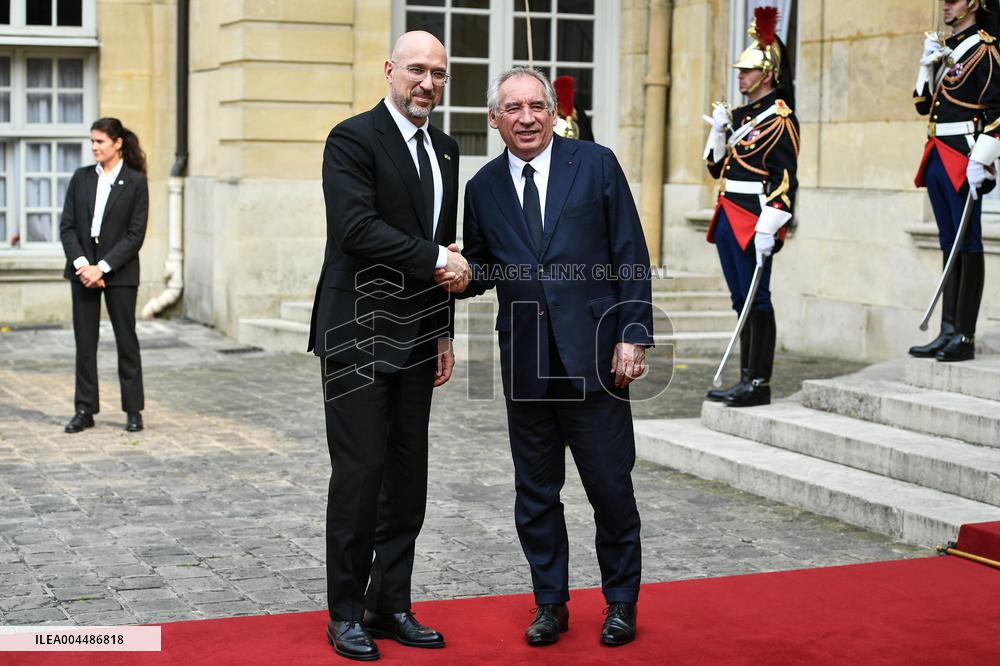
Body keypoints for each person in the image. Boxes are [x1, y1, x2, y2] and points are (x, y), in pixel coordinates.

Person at [457, 66, 653, 647]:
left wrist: (633, 334)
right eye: (512, 108)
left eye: (535, 106)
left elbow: (630, 254)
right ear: (495, 120)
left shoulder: (595, 164)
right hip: (527, 369)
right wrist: (458, 271)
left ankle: (620, 602)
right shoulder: (483, 187)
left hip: (596, 361)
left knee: (611, 491)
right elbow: (486, 267)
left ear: (551, 112)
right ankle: (550, 603)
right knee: (536, 496)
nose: (526, 117)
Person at [306, 30, 469, 661]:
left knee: (408, 480)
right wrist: (435, 260)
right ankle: (345, 611)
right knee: (360, 474)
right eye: (417, 70)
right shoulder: (352, 138)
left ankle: (389, 602)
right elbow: (355, 229)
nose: (427, 83)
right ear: (390, 70)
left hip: (418, 334)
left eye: (439, 74)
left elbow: (444, 245)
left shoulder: (449, 150)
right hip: (355, 330)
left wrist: (444, 330)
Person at [702, 6, 799, 408]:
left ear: (767, 75)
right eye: (740, 71)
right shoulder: (740, 115)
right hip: (728, 212)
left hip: (755, 218)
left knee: (758, 299)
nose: (739, 76)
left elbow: (785, 178)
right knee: (741, 300)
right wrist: (718, 131)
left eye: (746, 71)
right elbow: (713, 167)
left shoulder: (780, 119)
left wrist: (770, 225)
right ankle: (745, 377)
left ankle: (759, 382)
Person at [911, 0, 1000, 362]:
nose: (946, 6)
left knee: (969, 242)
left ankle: (964, 334)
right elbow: (921, 105)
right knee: (949, 243)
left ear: (974, 4)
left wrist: (981, 160)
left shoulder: (985, 50)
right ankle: (947, 329)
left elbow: (996, 114)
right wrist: (925, 66)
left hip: (964, 155)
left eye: (954, 0)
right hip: (937, 152)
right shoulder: (947, 49)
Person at [59, 118, 149, 434]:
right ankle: (85, 409)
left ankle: (133, 410)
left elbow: (135, 234)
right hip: (83, 271)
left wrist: (104, 267)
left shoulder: (136, 182)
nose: (95, 147)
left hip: (119, 272)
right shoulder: (81, 178)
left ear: (117, 143)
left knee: (127, 340)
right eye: (92, 141)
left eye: (100, 141)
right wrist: (85, 266)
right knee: (85, 344)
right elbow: (67, 227)